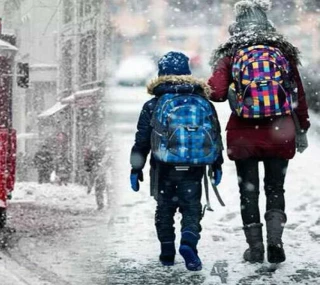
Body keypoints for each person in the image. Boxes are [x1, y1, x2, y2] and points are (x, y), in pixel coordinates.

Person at [208, 0, 310, 264]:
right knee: (276, 188)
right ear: (266, 20)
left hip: (244, 135)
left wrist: (227, 86)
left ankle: (255, 248)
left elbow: (216, 93)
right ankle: (275, 242)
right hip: (280, 131)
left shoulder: (230, 53)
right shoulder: (282, 52)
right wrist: (302, 129)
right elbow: (298, 93)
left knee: (248, 192)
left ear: (237, 23)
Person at [130, 51, 224, 271]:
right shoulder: (202, 100)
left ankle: (167, 251)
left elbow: (142, 140)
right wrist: (217, 164)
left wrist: (136, 169)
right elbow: (215, 135)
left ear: (161, 73)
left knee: (165, 209)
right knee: (191, 208)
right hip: (194, 166)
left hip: (163, 166)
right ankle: (189, 243)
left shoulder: (154, 104)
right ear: (187, 73)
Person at [84, 134, 113, 210]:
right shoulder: (95, 149)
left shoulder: (97, 149)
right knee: (104, 187)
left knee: (104, 187)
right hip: (101, 169)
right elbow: (88, 160)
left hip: (103, 169)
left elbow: (88, 161)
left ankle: (104, 204)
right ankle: (104, 204)